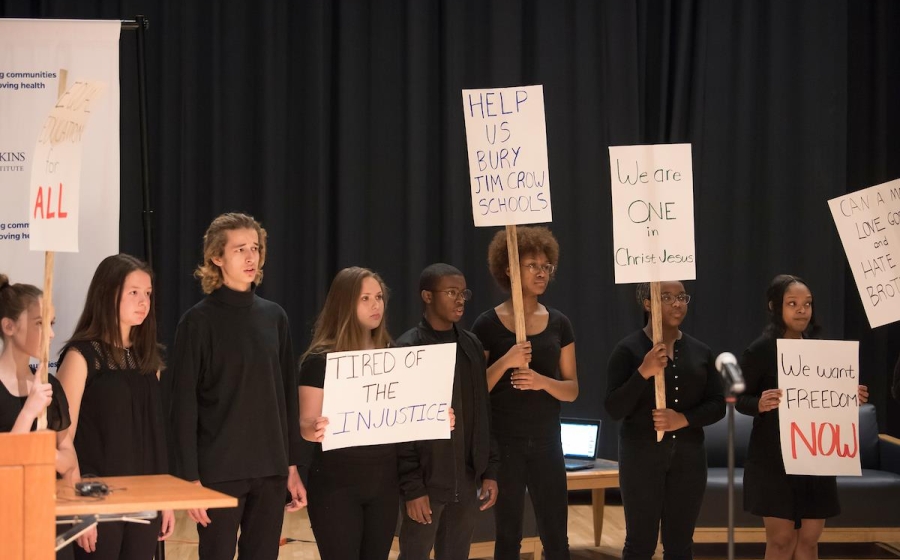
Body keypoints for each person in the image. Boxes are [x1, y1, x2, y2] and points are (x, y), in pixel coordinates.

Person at [165, 213, 307, 560]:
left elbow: (286, 396)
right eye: (239, 249)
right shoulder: (197, 322)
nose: (250, 257)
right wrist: (190, 480)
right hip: (219, 471)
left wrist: (291, 466)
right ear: (217, 256)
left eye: (255, 248)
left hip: (270, 469)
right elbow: (182, 405)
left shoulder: (275, 317)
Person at [737, 274, 869, 560]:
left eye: (807, 304)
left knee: (809, 539)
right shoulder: (759, 350)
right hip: (773, 459)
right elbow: (739, 399)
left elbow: (829, 398)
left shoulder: (822, 351)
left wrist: (849, 396)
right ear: (775, 307)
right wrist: (758, 403)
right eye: (793, 303)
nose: (802, 310)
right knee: (782, 540)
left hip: (816, 456)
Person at [56, 255, 174, 559]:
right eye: (133, 292)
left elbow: (155, 436)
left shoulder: (148, 359)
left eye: (147, 293)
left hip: (143, 497)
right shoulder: (81, 356)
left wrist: (166, 500)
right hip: (96, 498)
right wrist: (80, 506)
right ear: (108, 294)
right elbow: (62, 439)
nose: (143, 301)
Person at [471, 226, 578, 560]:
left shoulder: (560, 323)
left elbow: (572, 390)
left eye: (546, 266)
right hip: (504, 445)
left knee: (556, 537)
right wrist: (506, 361)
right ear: (509, 269)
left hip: (547, 441)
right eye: (532, 265)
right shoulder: (486, 325)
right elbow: (475, 392)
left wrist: (541, 381)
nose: (541, 272)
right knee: (508, 537)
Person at [605, 281, 725, 560]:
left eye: (682, 296)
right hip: (640, 457)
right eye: (667, 297)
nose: (677, 303)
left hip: (689, 458)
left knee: (680, 544)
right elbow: (613, 407)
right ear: (647, 303)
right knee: (640, 543)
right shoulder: (627, 350)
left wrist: (682, 419)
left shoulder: (701, 352)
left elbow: (718, 405)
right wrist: (643, 372)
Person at [396, 263, 500, 560]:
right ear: (427, 296)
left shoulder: (470, 345)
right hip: (427, 483)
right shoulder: (406, 350)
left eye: (463, 292)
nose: (460, 300)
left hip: (466, 482)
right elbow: (400, 428)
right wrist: (413, 488)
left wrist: (489, 471)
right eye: (451, 292)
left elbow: (483, 413)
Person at [299, 267, 402, 559]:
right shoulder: (320, 360)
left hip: (383, 484)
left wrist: (435, 418)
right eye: (365, 298)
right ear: (345, 304)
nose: (375, 305)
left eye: (379, 297)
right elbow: (305, 423)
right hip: (336, 484)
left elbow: (407, 412)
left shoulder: (393, 355)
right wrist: (313, 428)